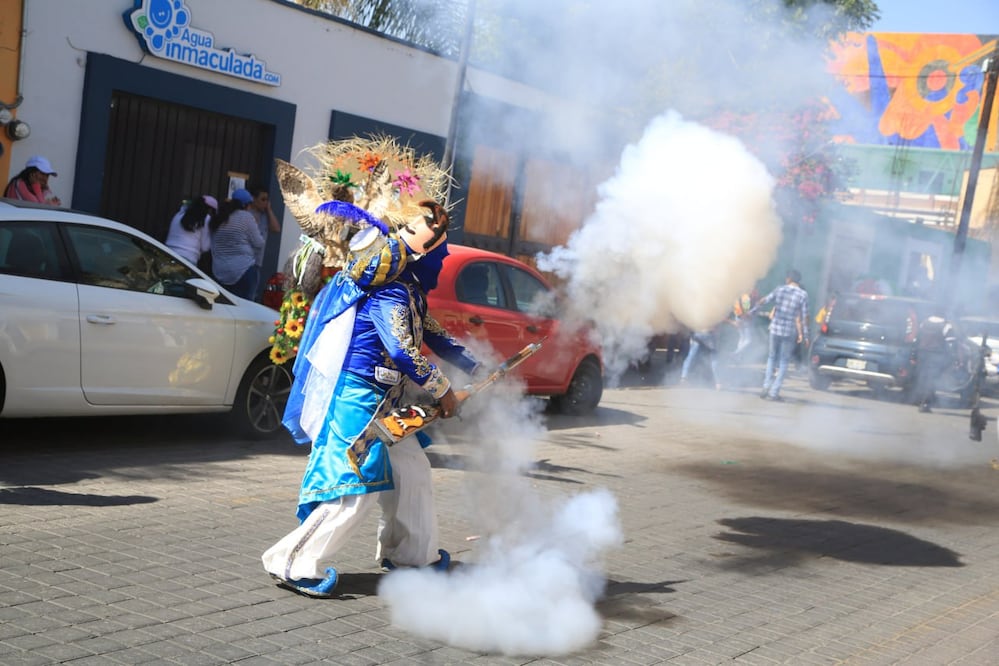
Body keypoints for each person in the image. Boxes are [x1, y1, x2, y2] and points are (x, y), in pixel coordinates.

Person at [261, 136, 480, 599]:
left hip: (389, 403)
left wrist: (473, 363)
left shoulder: (407, 290)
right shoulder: (390, 291)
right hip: (359, 399)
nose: (443, 258)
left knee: (412, 472)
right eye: (438, 250)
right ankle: (292, 562)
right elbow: (402, 350)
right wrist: (443, 390)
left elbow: (431, 332)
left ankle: (413, 557)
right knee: (353, 488)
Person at [751, 269, 809, 402]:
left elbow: (764, 300)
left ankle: (766, 386)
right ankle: (774, 392)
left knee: (771, 358)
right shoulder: (803, 295)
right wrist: (805, 335)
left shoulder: (780, 290)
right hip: (789, 332)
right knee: (783, 362)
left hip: (775, 329)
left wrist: (752, 310)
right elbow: (804, 316)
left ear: (789, 279)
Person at [210, 188, 264, 299]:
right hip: (243, 270)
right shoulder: (246, 217)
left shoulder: (220, 217)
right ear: (246, 205)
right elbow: (259, 243)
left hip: (220, 271)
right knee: (244, 306)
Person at [912, 315, 956, 413]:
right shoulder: (946, 325)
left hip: (922, 353)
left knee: (923, 378)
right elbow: (951, 343)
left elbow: (917, 339)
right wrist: (952, 357)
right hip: (936, 355)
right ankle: (925, 403)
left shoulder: (925, 322)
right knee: (931, 379)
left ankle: (922, 401)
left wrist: (914, 354)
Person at [247, 184, 282, 298]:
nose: (265, 203)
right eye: (263, 199)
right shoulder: (247, 214)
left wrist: (269, 210)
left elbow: (276, 228)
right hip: (246, 261)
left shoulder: (265, 215)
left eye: (267, 200)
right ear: (253, 199)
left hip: (257, 261)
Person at [164, 195, 217, 266]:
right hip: (188, 257)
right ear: (210, 210)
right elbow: (205, 247)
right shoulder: (205, 219)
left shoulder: (179, 214)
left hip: (168, 253)